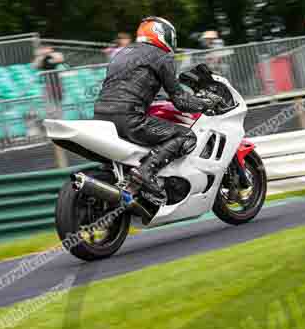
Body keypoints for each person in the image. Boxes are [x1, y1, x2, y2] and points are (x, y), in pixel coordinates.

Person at [94, 17, 220, 200]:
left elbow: (128, 84)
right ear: (161, 35)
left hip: (101, 116)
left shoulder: (121, 53)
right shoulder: (162, 56)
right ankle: (146, 172)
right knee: (185, 136)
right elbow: (181, 101)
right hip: (129, 118)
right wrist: (206, 102)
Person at [32, 46, 65, 118]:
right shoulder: (40, 59)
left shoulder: (54, 55)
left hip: (56, 81)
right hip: (47, 82)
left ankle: (59, 117)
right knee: (50, 103)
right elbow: (35, 65)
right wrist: (42, 55)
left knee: (58, 102)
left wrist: (49, 53)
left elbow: (60, 59)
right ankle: (53, 117)